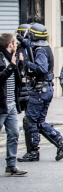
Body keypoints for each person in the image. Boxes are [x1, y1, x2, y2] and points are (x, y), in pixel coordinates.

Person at [17, 24, 63, 162]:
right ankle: (61, 142)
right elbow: (30, 43)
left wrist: (27, 63)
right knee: (39, 122)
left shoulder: (40, 50)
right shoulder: (43, 46)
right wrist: (21, 39)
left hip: (40, 91)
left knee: (29, 121)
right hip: (45, 89)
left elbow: (41, 69)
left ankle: (33, 152)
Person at [0, 34, 26, 175]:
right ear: (10, 44)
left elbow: (17, 79)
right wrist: (11, 67)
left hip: (11, 104)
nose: (16, 45)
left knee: (14, 133)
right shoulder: (0, 57)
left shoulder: (11, 58)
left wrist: (18, 64)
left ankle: (11, 166)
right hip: (1, 104)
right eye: (14, 43)